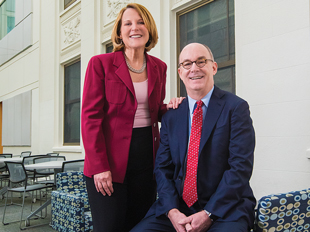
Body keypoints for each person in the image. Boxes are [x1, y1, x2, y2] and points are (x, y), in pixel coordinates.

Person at [131, 43, 256, 232]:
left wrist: (209, 213)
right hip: (178, 208)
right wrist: (172, 211)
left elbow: (240, 168)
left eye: (201, 61)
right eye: (187, 64)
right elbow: (162, 168)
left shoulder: (236, 109)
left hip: (226, 209)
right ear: (180, 72)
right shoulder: (171, 116)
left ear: (213, 67)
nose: (194, 69)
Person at [81, 3, 183, 232]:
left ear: (149, 29)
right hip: (108, 164)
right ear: (119, 32)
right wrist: (99, 166)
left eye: (140, 22)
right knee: (109, 227)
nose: (134, 28)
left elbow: (154, 111)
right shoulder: (100, 64)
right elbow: (90, 118)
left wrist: (172, 106)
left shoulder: (160, 67)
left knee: (140, 226)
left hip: (146, 162)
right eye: (127, 23)